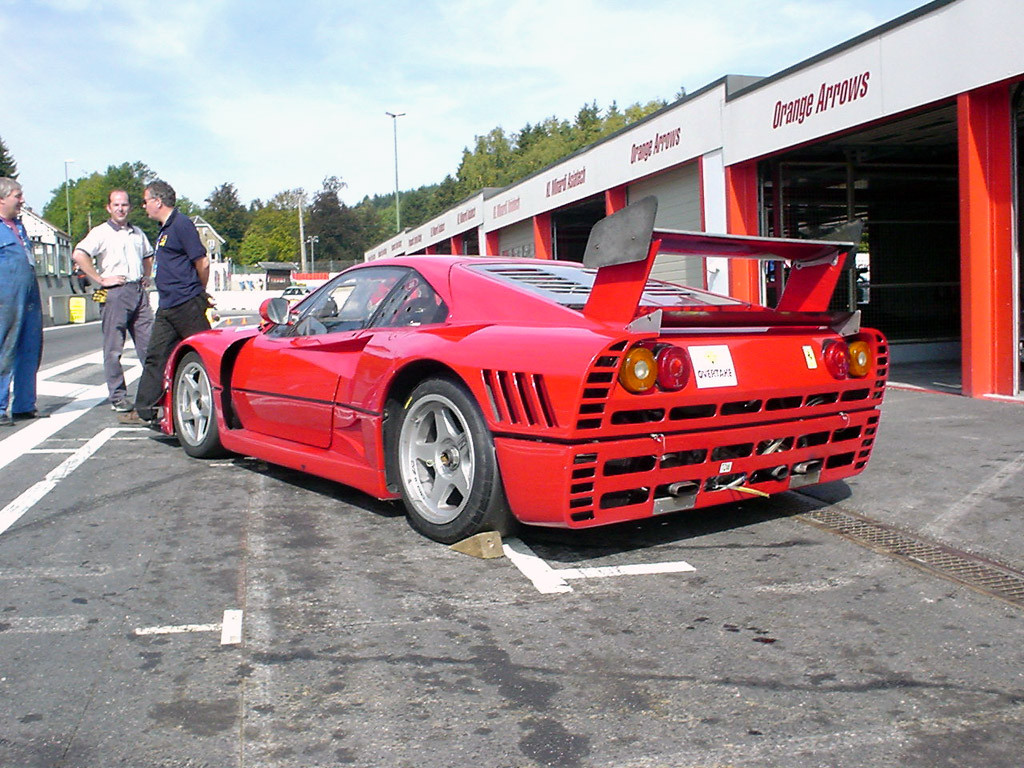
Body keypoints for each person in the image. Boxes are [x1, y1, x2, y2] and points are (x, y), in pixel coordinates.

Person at [121, 180, 212, 425]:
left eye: (146, 201)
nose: (144, 205)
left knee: (207, 357)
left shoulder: (181, 225)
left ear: (158, 202)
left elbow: (202, 262)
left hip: (186, 304)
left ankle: (219, 407)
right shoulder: (165, 229)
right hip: (168, 305)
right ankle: (145, 410)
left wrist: (198, 292)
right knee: (155, 356)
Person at [72, 189, 155, 412]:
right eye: (116, 205)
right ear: (109, 208)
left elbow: (148, 255)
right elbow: (79, 254)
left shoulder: (137, 233)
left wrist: (147, 276)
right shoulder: (100, 232)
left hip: (138, 291)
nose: (121, 209)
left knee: (149, 346)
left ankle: (153, 394)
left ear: (130, 207)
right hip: (115, 293)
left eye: (125, 205)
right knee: (113, 349)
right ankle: (118, 396)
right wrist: (100, 279)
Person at [0, 177, 43, 427]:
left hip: (29, 295)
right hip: (5, 297)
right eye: (17, 195)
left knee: (30, 347)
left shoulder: (20, 227)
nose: (22, 200)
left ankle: (25, 405)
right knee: (5, 348)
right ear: (2, 198)